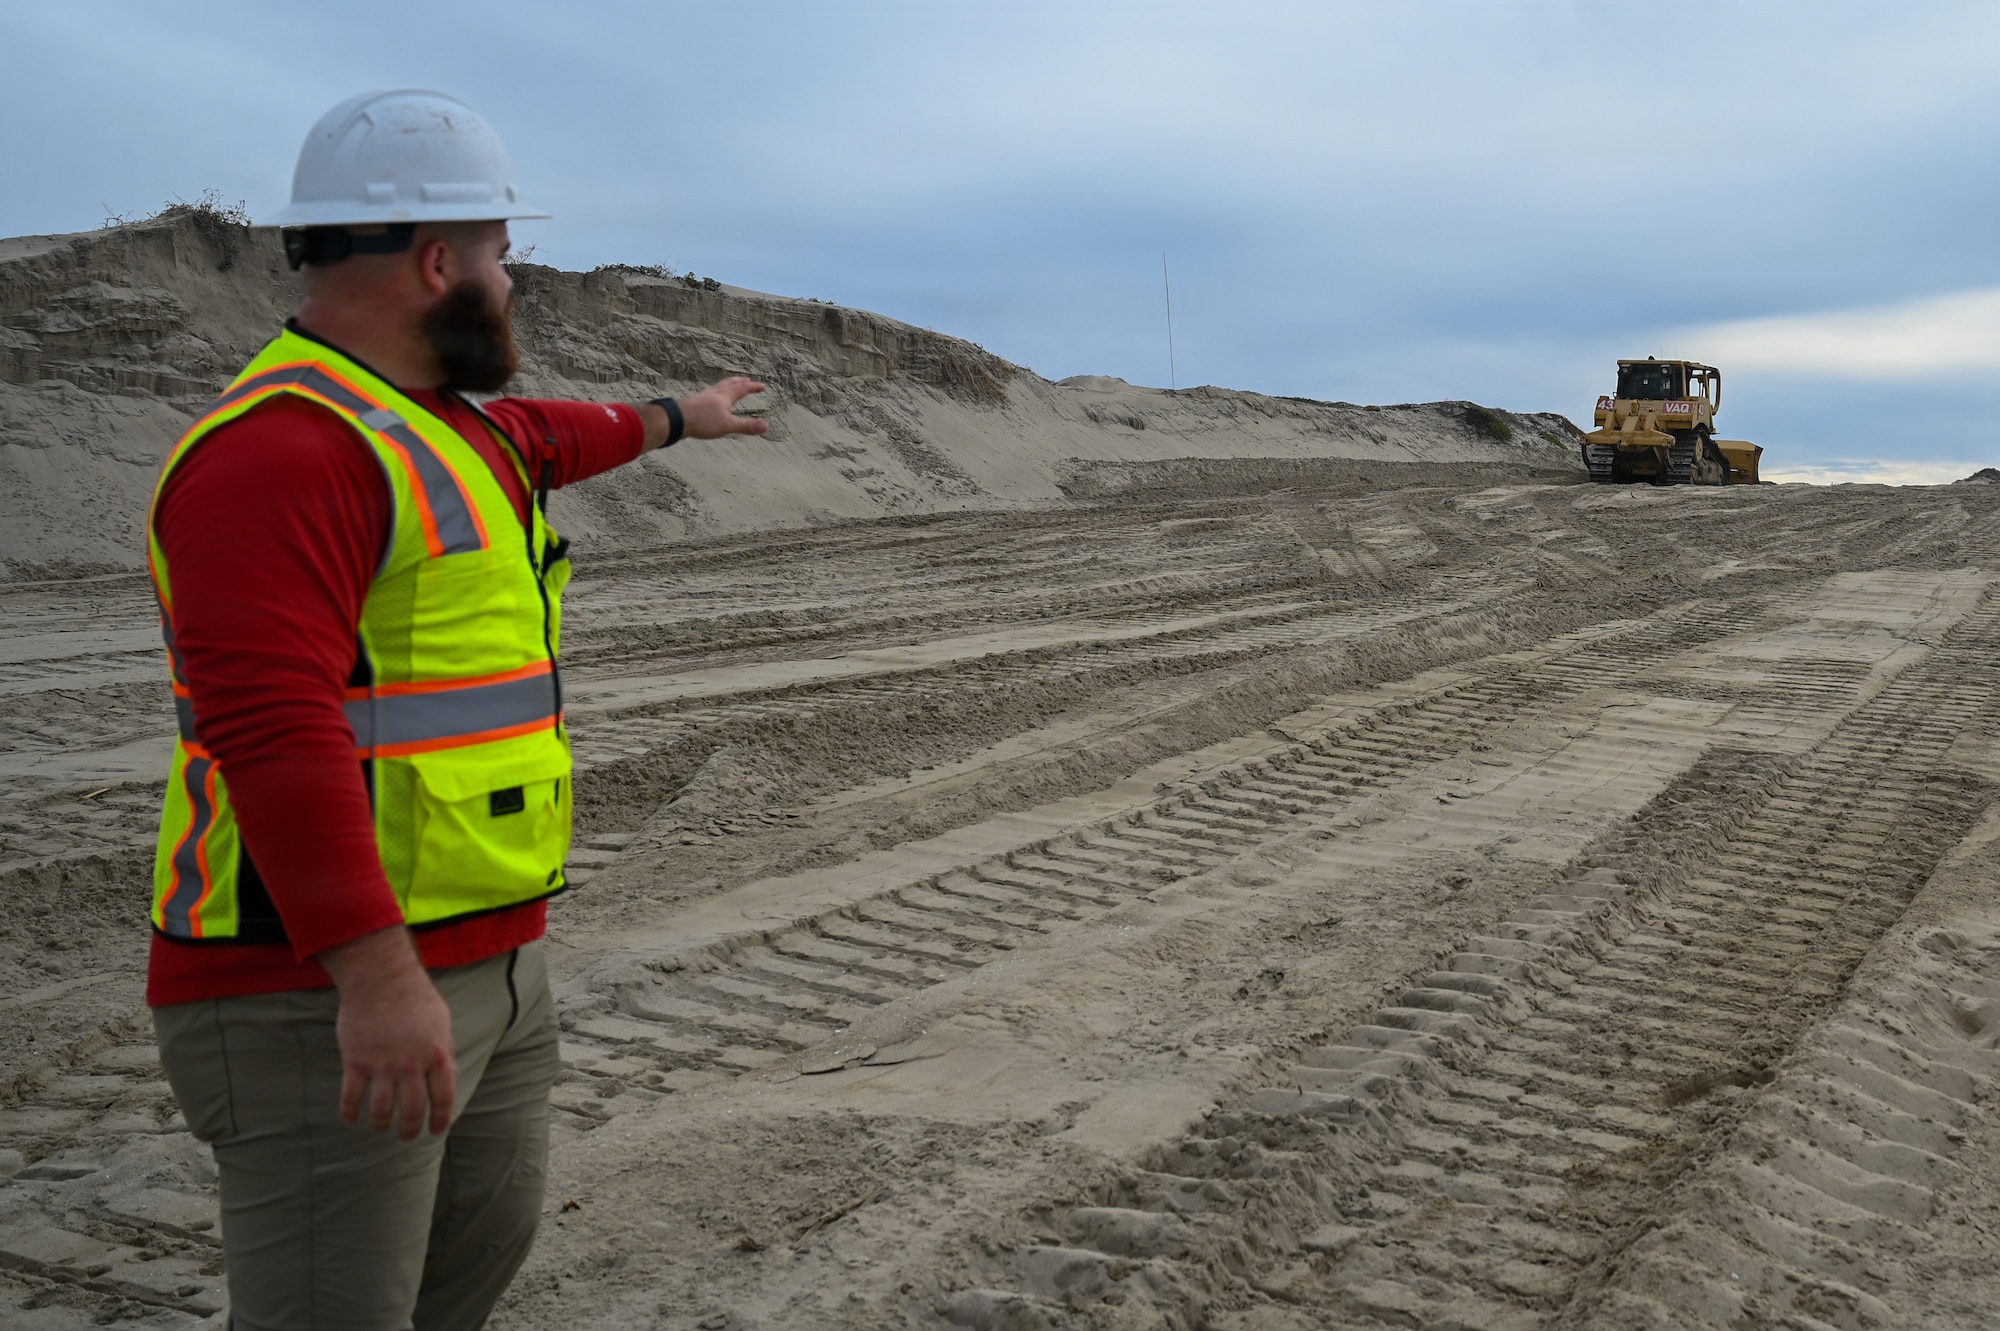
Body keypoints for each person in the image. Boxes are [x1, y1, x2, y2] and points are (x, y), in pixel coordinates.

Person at [146, 89, 767, 1330]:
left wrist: (678, 418)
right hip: (314, 989)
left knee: (460, 1279)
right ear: (439, 262)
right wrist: (375, 978)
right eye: (501, 255)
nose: (513, 282)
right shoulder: (278, 453)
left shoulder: (449, 429)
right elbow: (272, 734)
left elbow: (550, 433)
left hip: (486, 955)